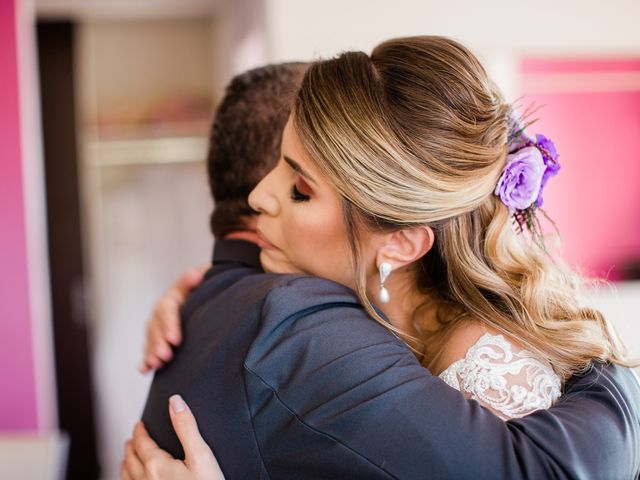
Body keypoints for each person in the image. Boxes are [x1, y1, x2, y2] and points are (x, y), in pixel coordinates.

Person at [123, 40, 640, 479]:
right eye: (277, 163)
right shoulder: (357, 323)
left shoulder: (478, 361)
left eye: (300, 188)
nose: (258, 195)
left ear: (400, 244)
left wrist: (613, 371)